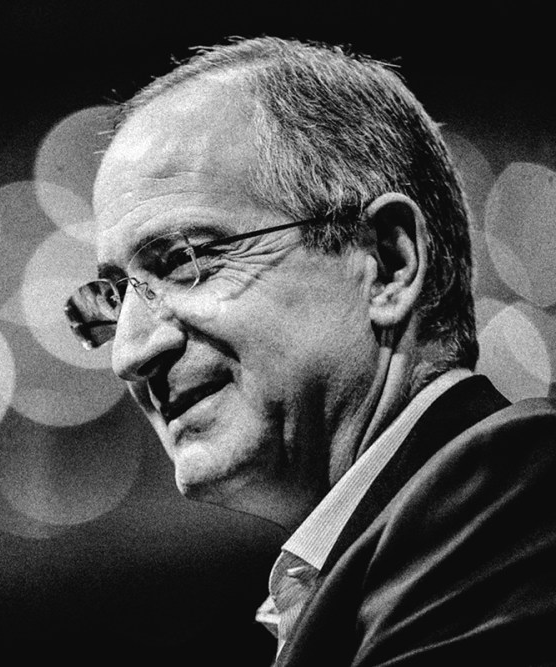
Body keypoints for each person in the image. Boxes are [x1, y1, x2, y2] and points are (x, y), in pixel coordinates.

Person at [64, 36, 556, 665]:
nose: (128, 354)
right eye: (113, 297)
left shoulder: (511, 492)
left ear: (387, 264)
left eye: (184, 260)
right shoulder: (374, 562)